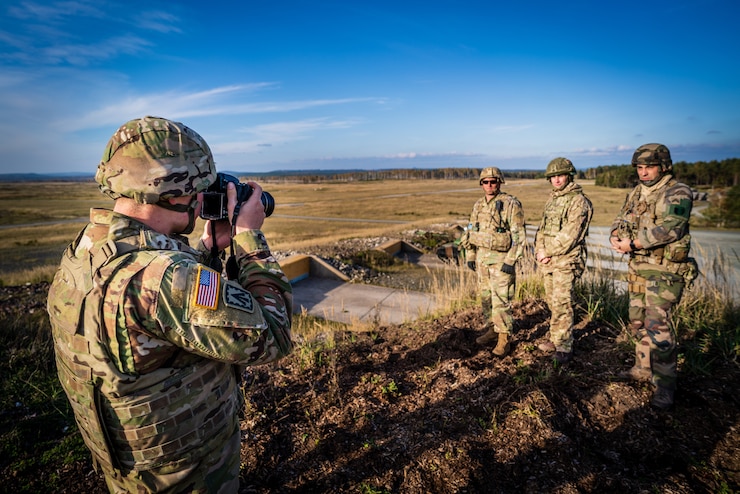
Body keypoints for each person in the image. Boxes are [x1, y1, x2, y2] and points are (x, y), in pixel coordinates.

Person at [46, 116, 293, 492]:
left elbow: (173, 315)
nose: (202, 199)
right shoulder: (166, 277)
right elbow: (273, 335)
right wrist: (249, 239)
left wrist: (209, 250)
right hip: (187, 473)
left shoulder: (88, 249)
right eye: (200, 189)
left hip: (131, 467)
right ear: (176, 195)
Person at [610, 143, 696, 410]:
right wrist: (614, 235)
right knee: (637, 323)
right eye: (640, 167)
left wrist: (633, 244)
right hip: (638, 268)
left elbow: (673, 228)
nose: (644, 172)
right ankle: (642, 369)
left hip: (665, 271)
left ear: (664, 166)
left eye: (649, 167)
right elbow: (620, 218)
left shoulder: (677, 191)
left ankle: (665, 385)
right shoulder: (636, 192)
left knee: (657, 326)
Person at [461, 167, 525, 357]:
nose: (489, 185)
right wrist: (470, 256)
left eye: (493, 181)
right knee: (486, 298)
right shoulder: (478, 205)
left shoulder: (511, 204)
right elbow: (470, 231)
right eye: (486, 182)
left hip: (500, 262)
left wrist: (511, 260)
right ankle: (492, 330)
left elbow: (519, 236)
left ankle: (504, 339)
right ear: (481, 184)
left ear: (500, 182)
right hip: (482, 261)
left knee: (501, 300)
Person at [534, 158, 593, 365]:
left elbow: (570, 235)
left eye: (560, 175)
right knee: (552, 301)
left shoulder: (579, 201)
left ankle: (565, 346)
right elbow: (542, 228)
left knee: (562, 302)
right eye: (553, 177)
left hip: (567, 261)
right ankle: (556, 338)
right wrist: (540, 249)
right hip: (549, 260)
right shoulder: (553, 200)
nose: (557, 180)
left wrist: (547, 250)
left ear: (569, 175)